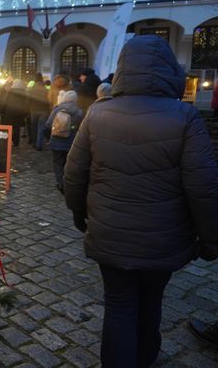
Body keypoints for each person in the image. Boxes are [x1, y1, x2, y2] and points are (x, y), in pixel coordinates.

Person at [63, 35, 218, 368]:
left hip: (110, 234)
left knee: (118, 305)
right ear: (169, 71)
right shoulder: (185, 117)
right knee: (151, 302)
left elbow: (73, 176)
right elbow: (204, 188)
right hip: (162, 239)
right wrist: (210, 240)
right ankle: (145, 357)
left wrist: (79, 214)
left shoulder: (98, 114)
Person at [44, 90, 82, 192]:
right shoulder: (79, 112)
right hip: (71, 143)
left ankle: (60, 183)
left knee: (57, 162)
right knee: (67, 163)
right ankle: (67, 182)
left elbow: (47, 124)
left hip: (56, 141)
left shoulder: (57, 109)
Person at [1, 79, 28, 147]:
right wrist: (24, 113)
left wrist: (3, 111)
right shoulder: (24, 92)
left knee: (10, 127)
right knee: (17, 127)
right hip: (19, 113)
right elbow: (25, 103)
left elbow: (4, 102)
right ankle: (16, 142)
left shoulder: (10, 92)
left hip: (9, 112)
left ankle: (11, 140)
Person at [26, 73, 49, 150]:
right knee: (41, 128)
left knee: (34, 127)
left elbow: (28, 100)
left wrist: (29, 107)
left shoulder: (32, 89)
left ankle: (34, 143)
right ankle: (39, 145)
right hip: (44, 111)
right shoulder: (46, 89)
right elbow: (48, 101)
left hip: (34, 110)